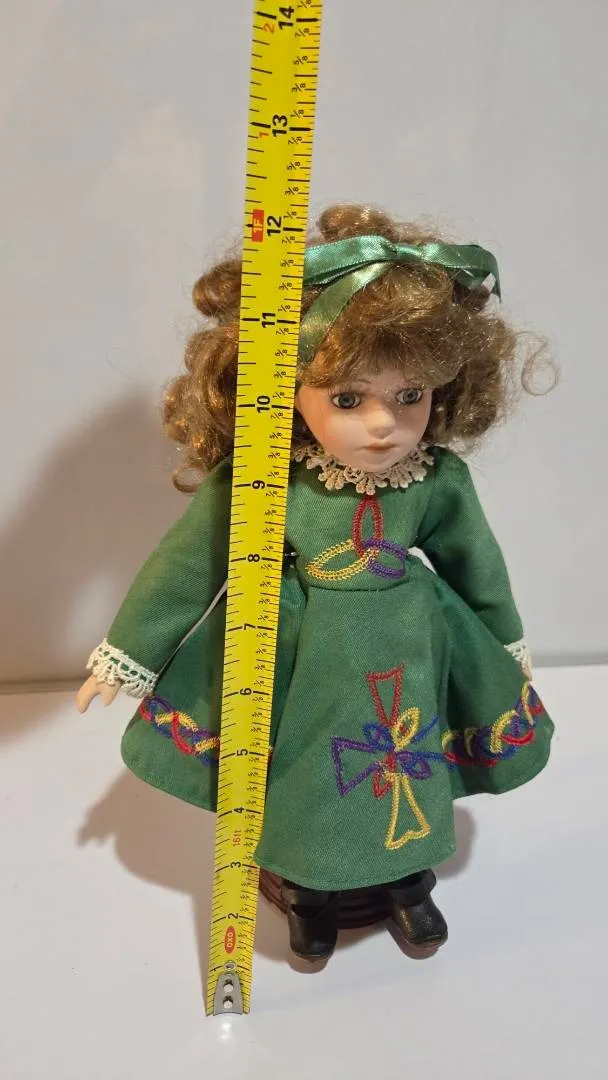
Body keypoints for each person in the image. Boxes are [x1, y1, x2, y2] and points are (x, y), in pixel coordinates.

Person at [77, 203, 554, 962]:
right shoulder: (268, 479)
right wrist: (128, 652)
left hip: (413, 643)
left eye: (410, 395)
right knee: (307, 773)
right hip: (299, 654)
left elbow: (477, 566)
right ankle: (309, 895)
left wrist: (505, 643)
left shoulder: (436, 479)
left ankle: (408, 884)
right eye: (348, 398)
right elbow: (189, 564)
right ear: (285, 391)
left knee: (409, 764)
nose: (383, 424)